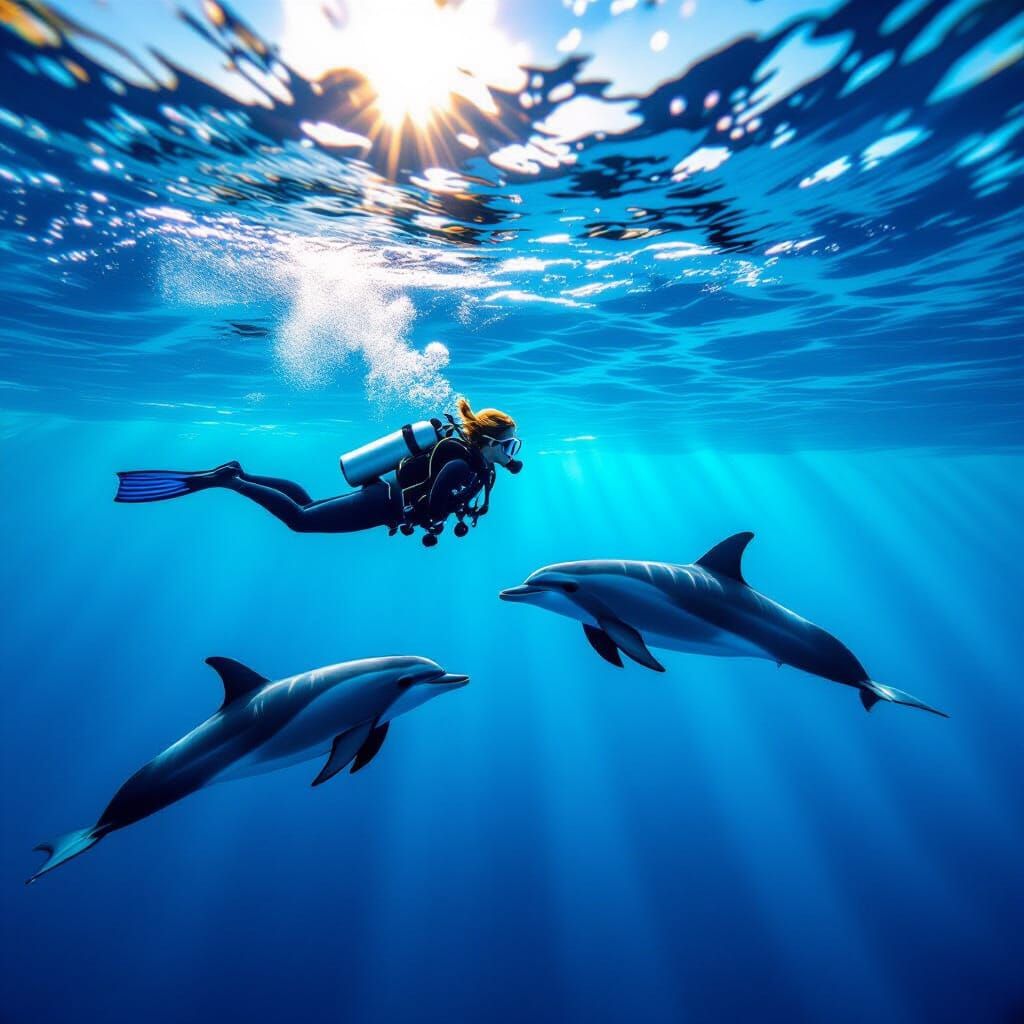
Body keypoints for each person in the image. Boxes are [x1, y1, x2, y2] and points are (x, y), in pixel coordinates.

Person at [114, 398, 522, 545]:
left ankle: (241, 473)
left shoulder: (474, 466)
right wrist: (433, 514)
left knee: (306, 503)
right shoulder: (460, 465)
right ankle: (232, 481)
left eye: (513, 446)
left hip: (381, 495)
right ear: (487, 442)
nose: (511, 452)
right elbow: (432, 506)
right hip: (383, 504)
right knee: (300, 520)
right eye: (507, 445)